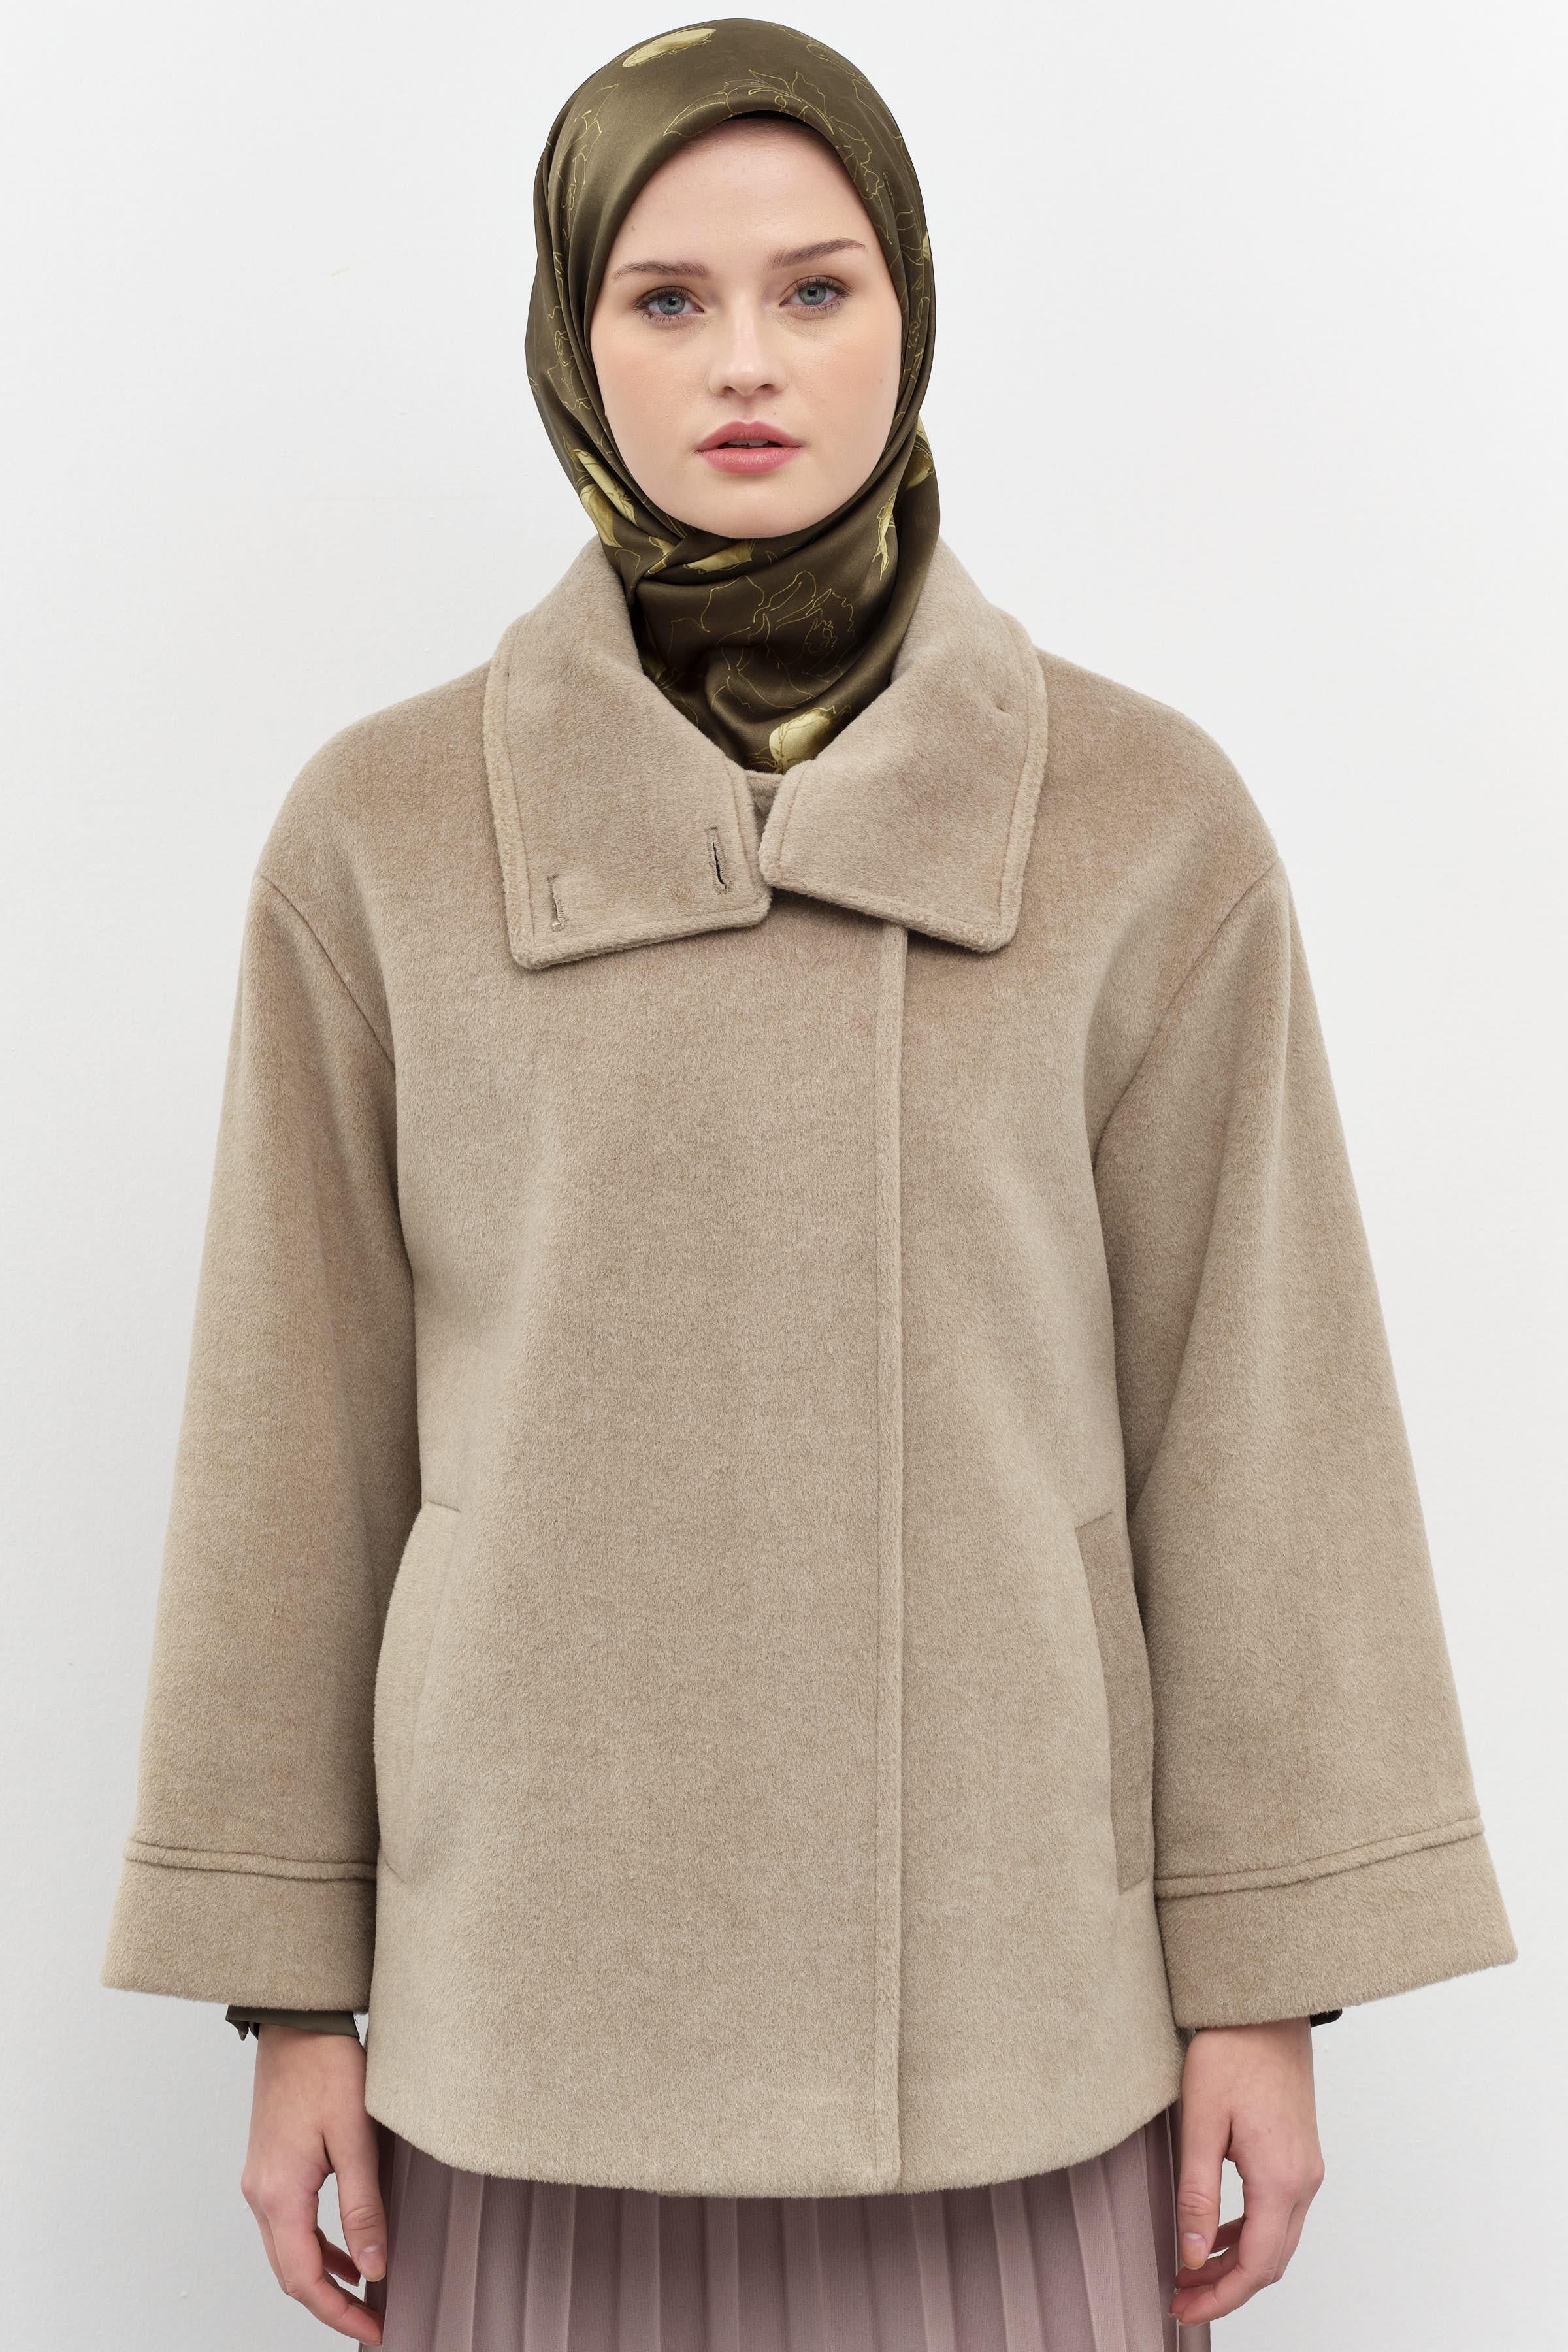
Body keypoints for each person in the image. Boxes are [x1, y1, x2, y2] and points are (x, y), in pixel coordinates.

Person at [99, 19, 1516, 2349]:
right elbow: (296, 1445)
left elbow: (1259, 1429)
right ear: (573, 338)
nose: (744, 360)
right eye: (666, 297)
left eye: (814, 289)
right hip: (529, 2023)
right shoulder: (384, 836)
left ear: (909, 312)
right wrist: (288, 2000)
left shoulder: (1141, 822)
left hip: (1015, 2024)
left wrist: (1268, 1989)